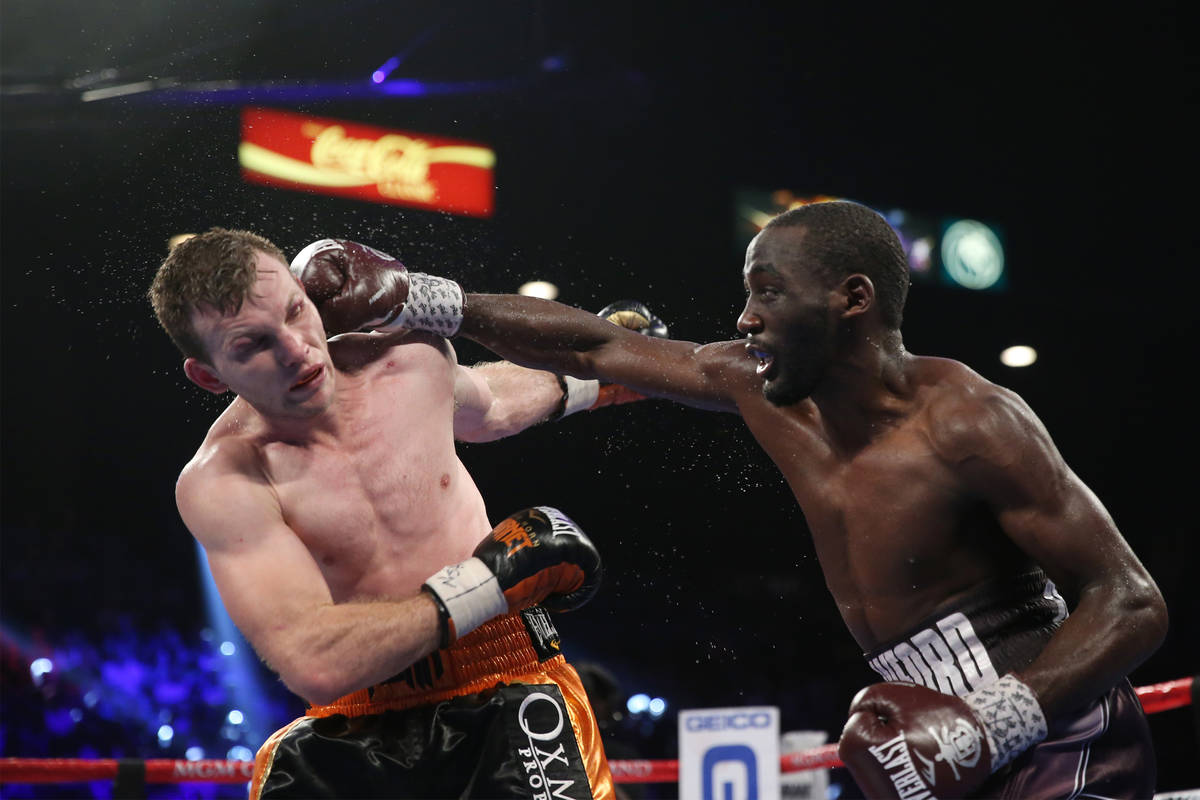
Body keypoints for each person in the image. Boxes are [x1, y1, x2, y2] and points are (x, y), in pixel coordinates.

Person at [312, 200, 1169, 798]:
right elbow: (599, 347)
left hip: (1056, 721)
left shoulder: (971, 421)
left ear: (852, 299)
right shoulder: (763, 388)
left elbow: (1132, 602)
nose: (746, 317)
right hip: (924, 727)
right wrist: (424, 300)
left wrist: (996, 718)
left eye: (768, 291)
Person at [147, 229, 635, 799]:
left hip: (507, 679)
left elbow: (492, 404)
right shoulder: (226, 480)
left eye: (295, 312)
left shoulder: (405, 358)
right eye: (252, 345)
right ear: (209, 375)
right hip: (356, 723)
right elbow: (313, 658)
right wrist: (487, 582)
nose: (297, 349)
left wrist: (601, 374)